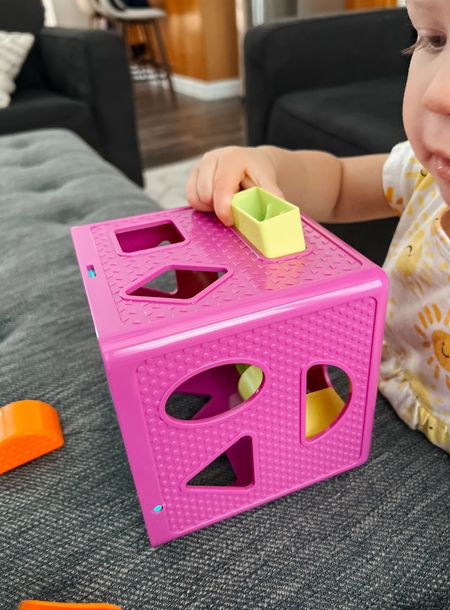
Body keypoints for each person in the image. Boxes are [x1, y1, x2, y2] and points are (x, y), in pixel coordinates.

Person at [186, 0, 450, 453]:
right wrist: (263, 164)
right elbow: (340, 183)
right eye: (434, 39)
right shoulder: (423, 175)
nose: (437, 93)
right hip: (375, 382)